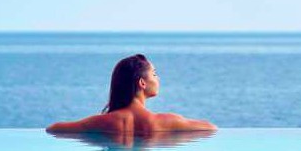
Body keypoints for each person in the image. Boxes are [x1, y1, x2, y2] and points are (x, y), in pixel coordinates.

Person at [46, 54, 217, 134]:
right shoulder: (164, 122)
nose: (158, 79)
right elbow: (211, 128)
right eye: (155, 74)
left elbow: (53, 129)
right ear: (142, 83)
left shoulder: (101, 122)